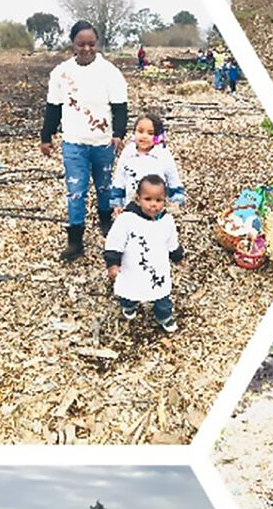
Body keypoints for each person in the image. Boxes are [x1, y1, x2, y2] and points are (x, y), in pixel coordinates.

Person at [40, 20, 128, 262]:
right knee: (76, 191)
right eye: (81, 44)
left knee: (104, 186)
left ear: (96, 44)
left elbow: (120, 108)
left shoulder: (110, 72)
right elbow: (53, 108)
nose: (87, 49)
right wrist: (46, 137)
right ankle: (75, 240)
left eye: (91, 44)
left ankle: (105, 222)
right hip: (74, 143)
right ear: (73, 44)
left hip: (103, 143)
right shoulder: (61, 73)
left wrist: (118, 134)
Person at [104, 175, 183, 333]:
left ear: (164, 201)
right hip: (132, 266)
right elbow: (115, 242)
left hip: (157, 267)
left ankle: (164, 316)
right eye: (148, 199)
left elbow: (172, 242)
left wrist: (177, 256)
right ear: (138, 199)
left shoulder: (166, 221)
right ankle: (128, 305)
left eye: (158, 200)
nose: (153, 204)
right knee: (130, 289)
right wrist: (113, 263)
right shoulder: (127, 219)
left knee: (161, 294)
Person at [110, 113, 185, 210]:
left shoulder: (162, 154)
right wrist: (117, 204)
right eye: (140, 131)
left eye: (150, 133)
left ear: (158, 136)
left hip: (155, 209)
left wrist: (176, 201)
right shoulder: (128, 153)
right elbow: (119, 180)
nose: (144, 136)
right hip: (131, 208)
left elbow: (173, 180)